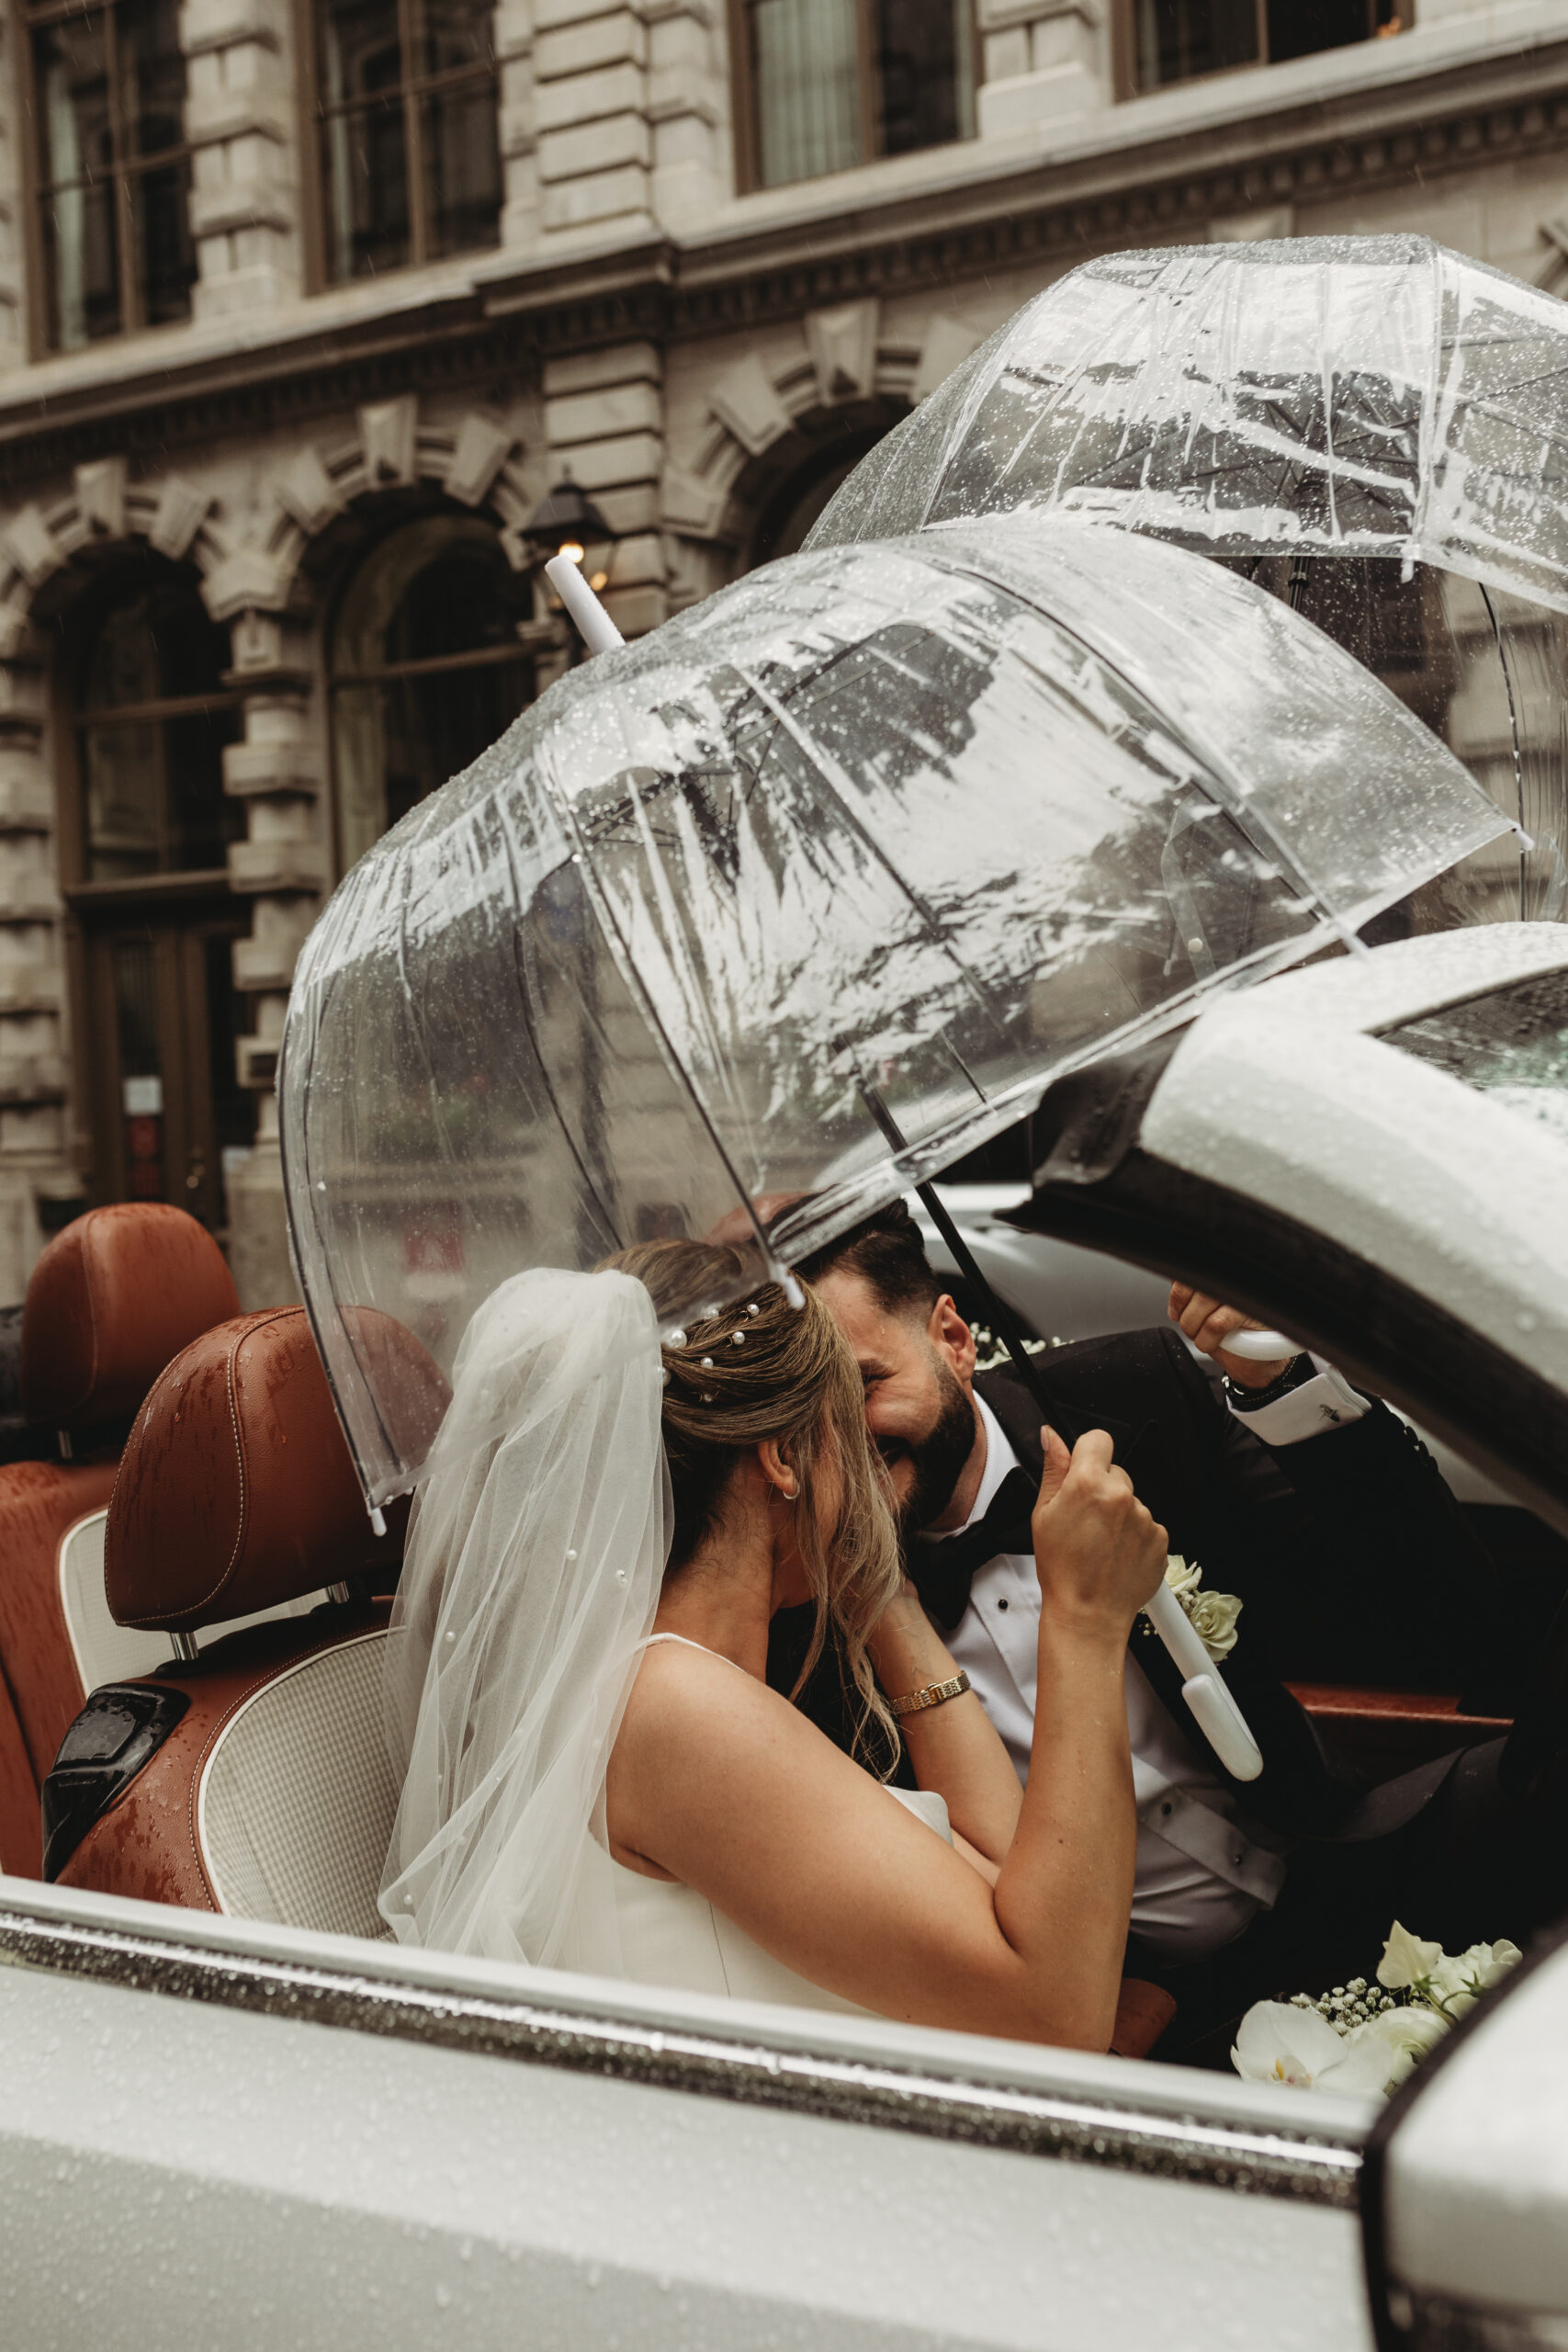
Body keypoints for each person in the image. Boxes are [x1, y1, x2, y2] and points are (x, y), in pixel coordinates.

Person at [787, 1202, 1567, 2061]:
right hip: (1151, 2009)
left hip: (1335, 1855)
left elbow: (1440, 1613)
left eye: (861, 1385)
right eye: (798, 1414)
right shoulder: (805, 1617)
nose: (834, 1444)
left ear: (953, 1339)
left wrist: (1282, 1386)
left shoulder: (1132, 1397)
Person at [378, 1243, 1168, 2048]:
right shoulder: (676, 1709)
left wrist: (885, 1600)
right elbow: (1060, 2014)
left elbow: (1017, 1885)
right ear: (785, 1456)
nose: (864, 1461)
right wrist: (1084, 1620)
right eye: (840, 1424)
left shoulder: (677, 1685)